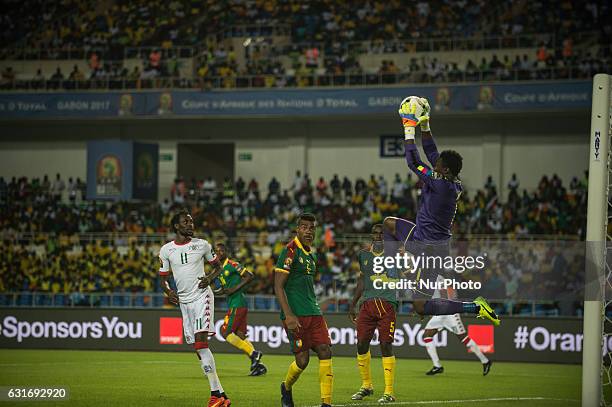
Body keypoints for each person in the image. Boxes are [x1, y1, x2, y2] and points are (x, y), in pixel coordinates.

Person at [385, 97, 500, 325]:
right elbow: (430, 151)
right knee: (389, 223)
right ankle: (393, 272)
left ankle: (475, 306)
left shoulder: (439, 184)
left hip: (430, 251)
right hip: (423, 236)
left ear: (444, 170)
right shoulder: (450, 180)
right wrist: (425, 124)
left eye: (437, 166)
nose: (433, 165)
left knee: (421, 306)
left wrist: (409, 128)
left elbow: (413, 162)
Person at [158, 210, 231, 407]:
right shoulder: (166, 250)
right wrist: (168, 292)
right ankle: (222, 395)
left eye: (191, 222)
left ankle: (215, 395)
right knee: (197, 348)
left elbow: (218, 268)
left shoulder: (202, 245)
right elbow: (163, 278)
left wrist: (208, 279)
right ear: (176, 226)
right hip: (184, 302)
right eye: (186, 222)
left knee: (200, 344)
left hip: (202, 297)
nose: (191, 224)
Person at [275, 213, 333, 407]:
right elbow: (278, 286)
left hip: (314, 312)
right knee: (302, 361)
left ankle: (326, 403)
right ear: (297, 229)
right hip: (295, 314)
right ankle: (286, 387)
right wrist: (289, 315)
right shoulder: (290, 250)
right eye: (305, 227)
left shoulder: (312, 254)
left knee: (325, 350)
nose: (309, 231)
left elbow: (305, 286)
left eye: (312, 228)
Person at [349, 224, 397, 403]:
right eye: (375, 233)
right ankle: (366, 385)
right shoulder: (363, 255)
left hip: (387, 305)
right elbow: (362, 281)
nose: (378, 236)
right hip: (367, 305)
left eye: (382, 233)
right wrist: (353, 304)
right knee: (361, 344)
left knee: (385, 345)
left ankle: (389, 391)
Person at [215, 242, 267, 376]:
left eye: (221, 251)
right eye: (216, 251)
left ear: (226, 252)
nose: (218, 253)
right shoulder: (220, 270)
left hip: (237, 303)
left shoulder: (232, 265)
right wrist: (217, 292)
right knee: (241, 336)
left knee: (225, 332)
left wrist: (233, 289)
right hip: (238, 303)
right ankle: (258, 366)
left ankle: (254, 353)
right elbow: (226, 288)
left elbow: (249, 276)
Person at [422, 277, 492, 376]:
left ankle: (485, 361)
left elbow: (447, 293)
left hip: (450, 312)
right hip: (440, 313)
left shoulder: (439, 278)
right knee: (427, 335)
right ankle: (437, 366)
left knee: (464, 338)